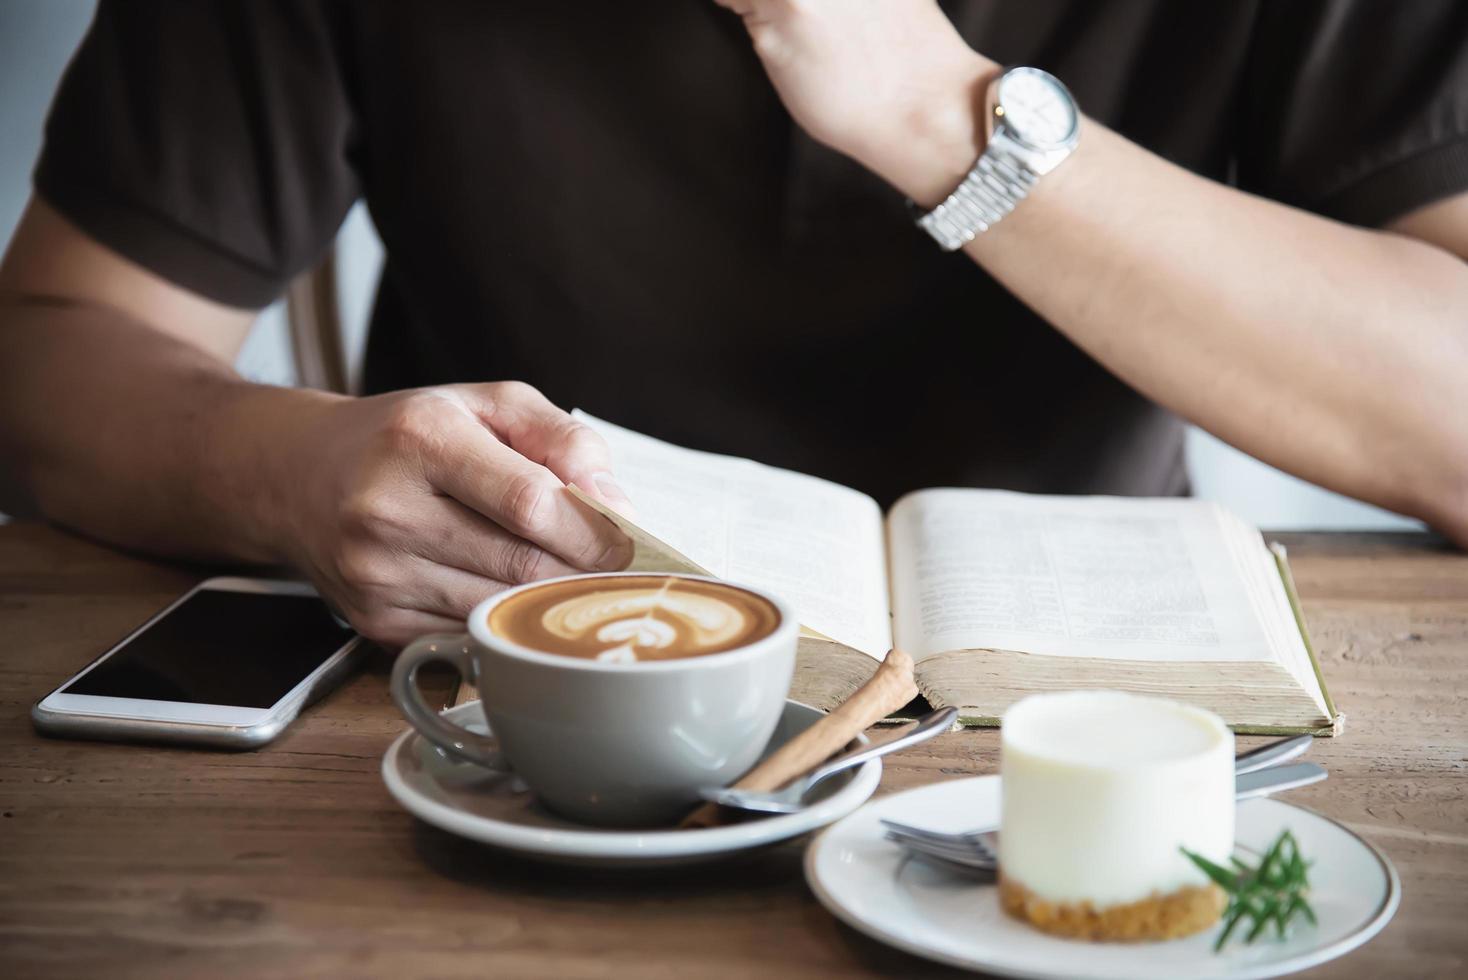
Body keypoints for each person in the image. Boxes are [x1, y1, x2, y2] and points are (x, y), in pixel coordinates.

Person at [1, 1, 1465, 647]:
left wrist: (939, 119)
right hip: (470, 697)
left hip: (1078, 716)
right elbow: (51, 348)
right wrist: (294, 474)